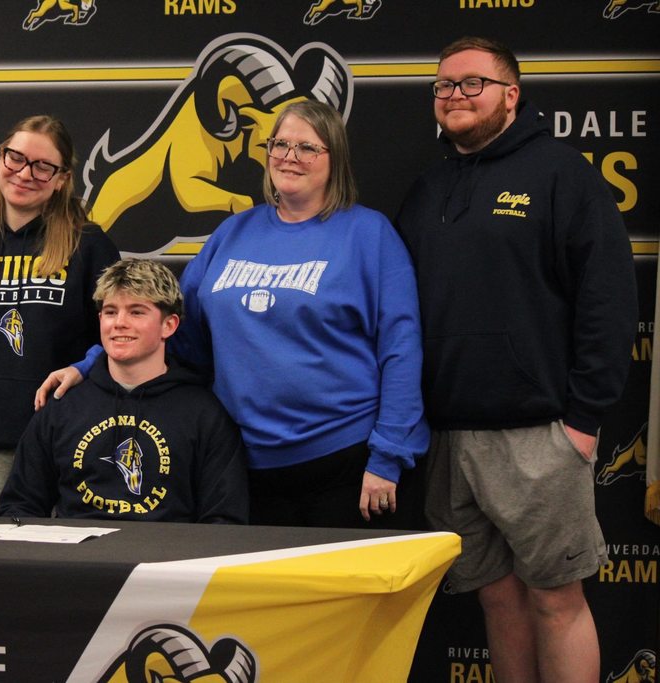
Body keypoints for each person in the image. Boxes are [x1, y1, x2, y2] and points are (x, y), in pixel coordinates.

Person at [38, 100, 428, 529]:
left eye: (307, 147)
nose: (290, 157)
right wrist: (91, 364)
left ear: (334, 158)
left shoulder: (369, 234)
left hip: (346, 463)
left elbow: (401, 349)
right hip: (245, 465)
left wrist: (388, 456)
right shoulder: (234, 232)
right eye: (280, 144)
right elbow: (171, 326)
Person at [395, 37, 637, 683]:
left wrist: (582, 420)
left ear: (511, 94)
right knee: (497, 600)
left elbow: (609, 300)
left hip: (540, 435)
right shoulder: (427, 189)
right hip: (447, 438)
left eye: (472, 82)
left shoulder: (562, 174)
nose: (455, 95)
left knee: (557, 601)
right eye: (444, 85)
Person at [0, 115, 119, 516]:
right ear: (0, 158)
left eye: (43, 166)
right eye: (16, 158)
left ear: (62, 178)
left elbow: (120, 341)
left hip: (66, 444)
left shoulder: (89, 246)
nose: (25, 173)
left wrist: (85, 366)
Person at [0, 259, 248, 523]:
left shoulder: (205, 415)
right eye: (110, 312)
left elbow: (224, 520)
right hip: (76, 549)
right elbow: (19, 505)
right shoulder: (62, 406)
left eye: (136, 312)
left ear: (169, 325)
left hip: (166, 550)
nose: (119, 323)